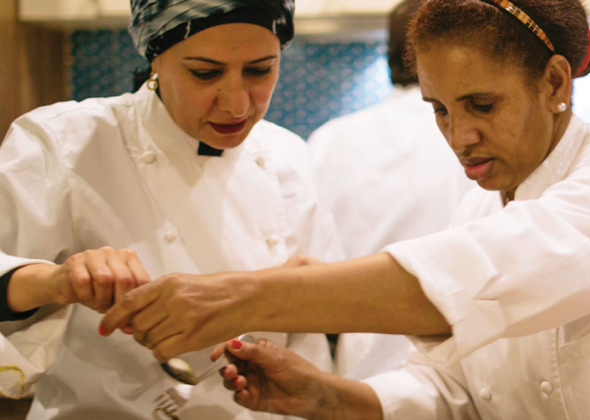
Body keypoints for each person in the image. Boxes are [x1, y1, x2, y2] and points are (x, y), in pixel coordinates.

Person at [101, 0, 590, 418]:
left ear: (554, 83)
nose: (460, 135)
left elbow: (492, 268)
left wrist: (236, 298)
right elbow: (451, 393)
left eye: (482, 105)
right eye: (440, 110)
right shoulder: (477, 210)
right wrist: (327, 397)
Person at [0, 1, 344, 419]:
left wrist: (311, 293)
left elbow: (327, 329)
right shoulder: (63, 141)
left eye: (259, 70)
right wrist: (55, 282)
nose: (237, 104)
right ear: (154, 59)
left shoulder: (289, 154)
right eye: (205, 73)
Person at [307, 0, 474, 381]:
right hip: (475, 371)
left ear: (389, 57)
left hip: (366, 374)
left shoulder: (332, 141)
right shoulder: (492, 137)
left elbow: (313, 263)